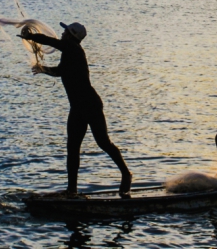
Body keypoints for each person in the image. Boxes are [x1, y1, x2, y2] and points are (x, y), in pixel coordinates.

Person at [19, 22, 132, 198]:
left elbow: (53, 42)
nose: (62, 34)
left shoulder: (73, 49)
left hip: (90, 105)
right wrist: (43, 70)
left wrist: (32, 37)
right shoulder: (69, 53)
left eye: (65, 31)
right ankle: (72, 190)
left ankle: (126, 174)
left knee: (103, 142)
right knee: (72, 148)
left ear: (72, 36)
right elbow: (60, 72)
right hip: (77, 108)